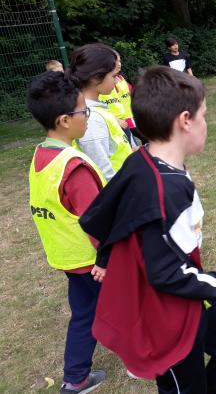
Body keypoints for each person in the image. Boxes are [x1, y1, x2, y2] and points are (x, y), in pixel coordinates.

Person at [79, 66, 216, 393]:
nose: (206, 124)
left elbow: (109, 211)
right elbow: (167, 275)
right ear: (184, 120)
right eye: (203, 115)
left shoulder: (144, 159)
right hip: (166, 313)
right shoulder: (165, 189)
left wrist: (105, 257)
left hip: (190, 296)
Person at [27, 71, 108, 394]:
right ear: (64, 120)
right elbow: (96, 222)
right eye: (82, 111)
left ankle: (75, 379)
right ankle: (142, 361)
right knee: (130, 305)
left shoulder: (41, 155)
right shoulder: (73, 167)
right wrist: (108, 258)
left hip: (67, 257)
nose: (86, 117)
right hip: (94, 261)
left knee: (85, 314)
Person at [68, 44, 133, 181]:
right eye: (113, 76)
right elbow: (101, 171)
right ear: (96, 78)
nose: (116, 81)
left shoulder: (96, 111)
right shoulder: (92, 119)